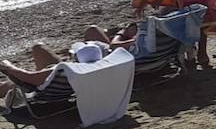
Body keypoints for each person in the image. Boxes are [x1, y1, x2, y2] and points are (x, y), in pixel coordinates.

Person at [0, 28, 137, 89]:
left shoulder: (66, 69)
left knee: (10, 86)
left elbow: (30, 78)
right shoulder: (104, 67)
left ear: (75, 58)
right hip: (75, 85)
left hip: (47, 90)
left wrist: (8, 66)